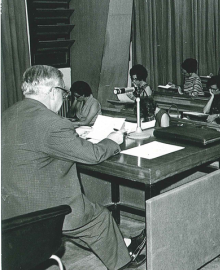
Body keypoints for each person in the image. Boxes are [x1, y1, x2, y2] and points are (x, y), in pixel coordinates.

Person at [1, 65, 146, 270]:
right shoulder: (52, 123)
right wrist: (113, 140)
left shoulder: (7, 115)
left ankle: (124, 244)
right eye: (64, 92)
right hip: (43, 215)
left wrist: (73, 139)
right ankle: (125, 265)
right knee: (100, 219)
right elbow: (93, 155)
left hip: (10, 211)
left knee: (89, 218)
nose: (65, 98)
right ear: (53, 92)